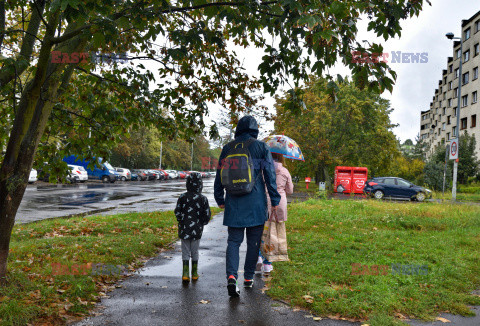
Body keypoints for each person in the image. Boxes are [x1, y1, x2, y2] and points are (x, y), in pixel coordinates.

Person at [214, 115, 281, 297]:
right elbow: (269, 175)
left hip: (233, 203)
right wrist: (275, 200)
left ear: (238, 129)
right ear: (255, 129)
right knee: (253, 243)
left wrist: (219, 197)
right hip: (256, 203)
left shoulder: (228, 148)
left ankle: (231, 277)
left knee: (233, 242)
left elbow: (219, 174)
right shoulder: (261, 147)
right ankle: (248, 278)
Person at [174, 172, 211, 283]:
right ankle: (194, 273)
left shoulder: (182, 197)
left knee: (185, 251)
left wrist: (181, 220)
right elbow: (207, 214)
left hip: (184, 228)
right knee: (195, 251)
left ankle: (185, 274)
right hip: (197, 229)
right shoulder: (203, 198)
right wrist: (203, 223)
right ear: (200, 184)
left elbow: (177, 211)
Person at [260, 152, 294, 273]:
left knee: (262, 230)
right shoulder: (285, 171)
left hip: (264, 202)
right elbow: (290, 190)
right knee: (274, 231)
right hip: (279, 203)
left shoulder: (263, 169)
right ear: (281, 157)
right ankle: (268, 264)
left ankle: (259, 256)